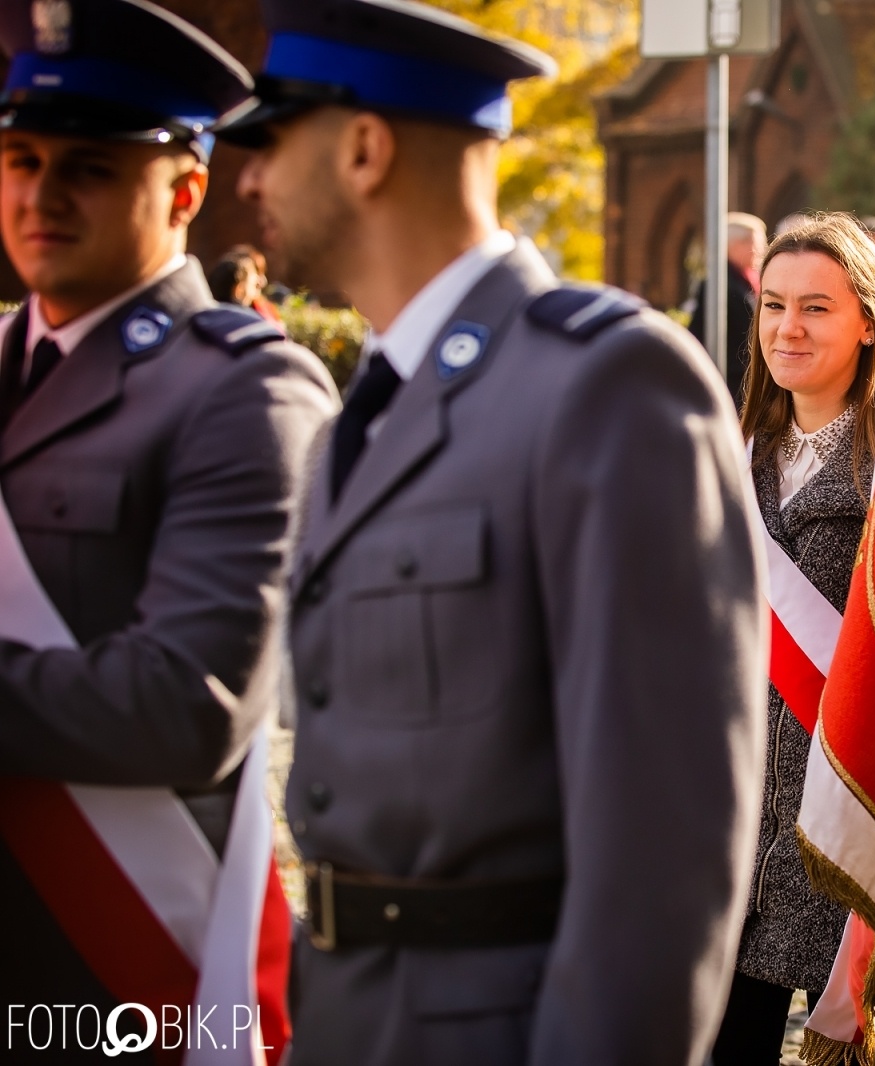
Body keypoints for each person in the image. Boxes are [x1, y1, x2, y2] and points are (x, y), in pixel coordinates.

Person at [216, 1, 767, 1062]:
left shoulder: (606, 384)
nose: (249, 180)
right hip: (348, 1017)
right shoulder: (365, 415)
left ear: (366, 150)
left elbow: (663, 854)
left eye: (273, 144)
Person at [0, 0, 337, 1041]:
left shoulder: (246, 391)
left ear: (186, 188)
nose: (40, 195)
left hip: (106, 967)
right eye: (20, 159)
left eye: (90, 167)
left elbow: (188, 704)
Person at [713, 213, 875, 1063]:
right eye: (775, 305)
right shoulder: (724, 456)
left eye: (817, 308)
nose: (789, 327)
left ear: (868, 320)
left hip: (839, 814)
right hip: (727, 808)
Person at [690, 210, 768, 403]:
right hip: (730, 380)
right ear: (736, 245)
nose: (763, 249)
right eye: (757, 243)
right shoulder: (717, 284)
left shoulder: (744, 280)